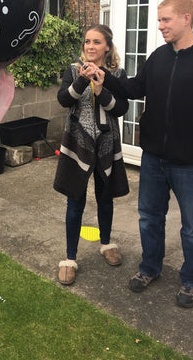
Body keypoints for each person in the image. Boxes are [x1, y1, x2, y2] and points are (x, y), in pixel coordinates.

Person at [100, 0, 193, 308]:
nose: (160, 26)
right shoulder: (159, 56)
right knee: (148, 217)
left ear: (187, 18)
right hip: (153, 158)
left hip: (189, 161)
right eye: (159, 20)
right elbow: (134, 89)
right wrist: (104, 77)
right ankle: (150, 268)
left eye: (165, 20)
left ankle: (192, 280)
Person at [54, 24, 130, 285]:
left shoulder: (116, 73)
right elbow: (64, 100)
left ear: (107, 46)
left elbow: (121, 108)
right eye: (87, 41)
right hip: (78, 142)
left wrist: (101, 89)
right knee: (75, 200)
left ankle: (107, 244)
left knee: (105, 197)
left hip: (107, 143)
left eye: (97, 42)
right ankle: (70, 258)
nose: (90, 46)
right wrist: (83, 80)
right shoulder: (73, 70)